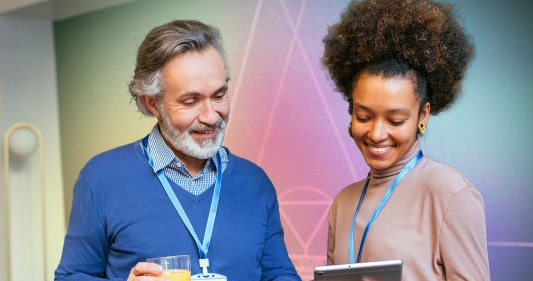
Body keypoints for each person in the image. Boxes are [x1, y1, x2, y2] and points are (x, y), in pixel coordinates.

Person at [54, 20, 301, 281]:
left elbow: (280, 275)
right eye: (191, 101)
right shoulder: (101, 179)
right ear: (153, 103)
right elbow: (71, 276)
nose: (210, 116)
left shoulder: (256, 182)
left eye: (219, 96)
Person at [321, 0, 490, 280]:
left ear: (423, 114)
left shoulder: (450, 195)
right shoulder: (343, 203)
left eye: (395, 121)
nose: (376, 134)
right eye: (364, 116)